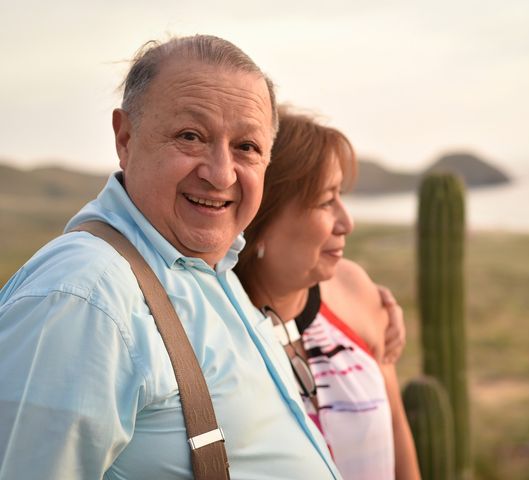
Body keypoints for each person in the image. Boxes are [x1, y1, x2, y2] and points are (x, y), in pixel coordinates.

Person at [0, 36, 341, 479]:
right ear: (126, 138)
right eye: (190, 137)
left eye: (247, 147)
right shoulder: (83, 296)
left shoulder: (209, 266)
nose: (220, 173)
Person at [235, 108, 421, 480]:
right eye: (325, 201)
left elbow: (400, 445)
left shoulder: (355, 291)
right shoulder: (215, 327)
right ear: (261, 217)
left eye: (341, 196)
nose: (346, 222)